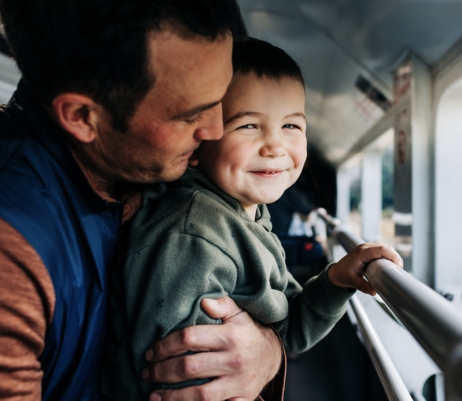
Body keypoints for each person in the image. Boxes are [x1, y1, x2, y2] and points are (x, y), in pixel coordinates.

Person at [0, 1, 287, 400]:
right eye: (192, 115)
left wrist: (266, 353)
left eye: (222, 100)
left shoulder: (158, 170)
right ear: (83, 116)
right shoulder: (12, 255)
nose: (216, 130)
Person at [102, 36, 403, 400]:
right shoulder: (193, 233)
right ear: (200, 141)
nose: (274, 145)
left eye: (291, 126)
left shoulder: (247, 214)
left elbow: (287, 329)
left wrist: (337, 281)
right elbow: (184, 377)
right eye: (248, 125)